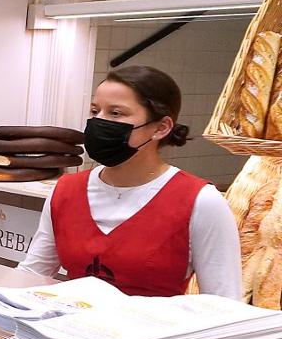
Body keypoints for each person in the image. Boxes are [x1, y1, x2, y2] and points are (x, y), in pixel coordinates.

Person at [19, 65, 241, 299]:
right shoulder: (66, 190)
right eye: (95, 111)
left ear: (161, 128)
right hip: (70, 320)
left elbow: (224, 301)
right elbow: (32, 274)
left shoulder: (201, 201)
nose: (99, 121)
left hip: (155, 323)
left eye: (116, 113)